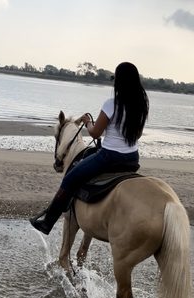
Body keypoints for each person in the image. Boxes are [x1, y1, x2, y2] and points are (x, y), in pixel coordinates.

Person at [30, 62, 149, 235]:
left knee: (70, 179)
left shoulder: (111, 104)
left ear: (119, 82)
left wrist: (87, 122)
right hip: (132, 158)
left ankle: (47, 223)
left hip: (109, 157)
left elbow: (95, 133)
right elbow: (136, 136)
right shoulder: (141, 106)